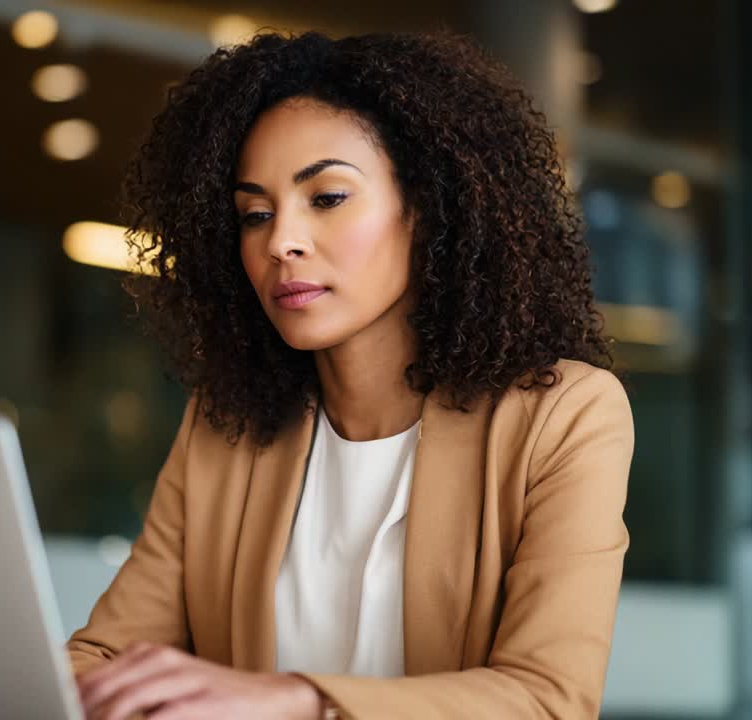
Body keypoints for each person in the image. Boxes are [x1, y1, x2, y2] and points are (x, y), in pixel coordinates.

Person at [69, 30, 634, 720]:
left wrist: (302, 700)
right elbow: (105, 659)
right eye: (254, 214)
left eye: (328, 197)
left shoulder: (565, 414)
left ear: (426, 207)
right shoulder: (226, 425)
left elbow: (548, 701)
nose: (282, 241)